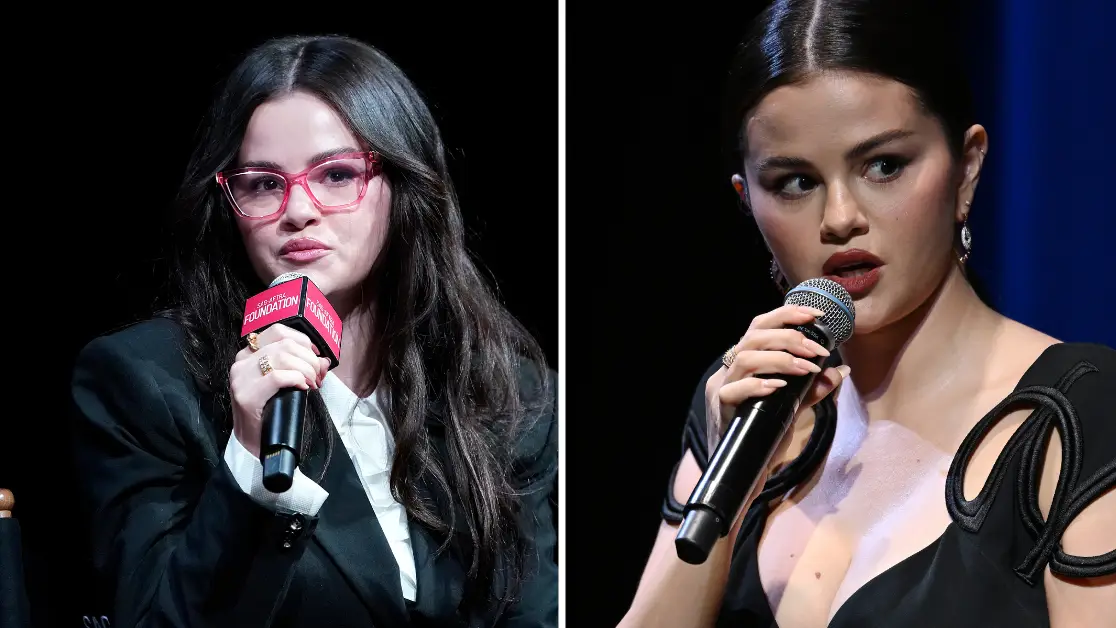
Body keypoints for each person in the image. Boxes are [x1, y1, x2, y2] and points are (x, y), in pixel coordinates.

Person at [619, 1, 1114, 627]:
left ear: (967, 168)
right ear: (747, 201)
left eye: (884, 166)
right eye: (795, 182)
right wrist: (728, 480)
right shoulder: (742, 400)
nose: (840, 218)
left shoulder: (1081, 417)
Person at [69, 34, 557, 628]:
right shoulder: (144, 381)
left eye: (335, 175)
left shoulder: (508, 392)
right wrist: (249, 464)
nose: (298, 210)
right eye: (263, 183)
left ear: (404, 186)